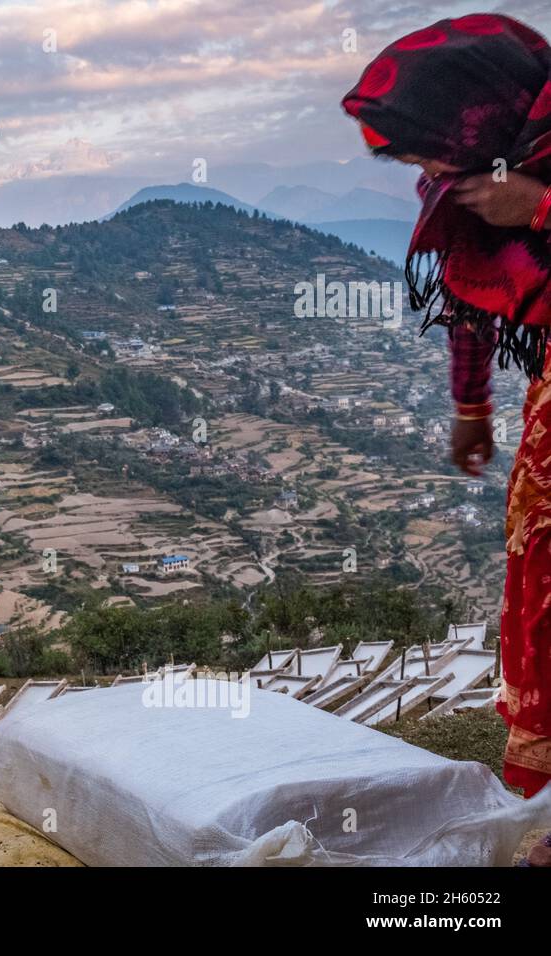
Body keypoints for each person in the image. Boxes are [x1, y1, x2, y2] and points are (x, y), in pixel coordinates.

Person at [343, 13, 551, 865]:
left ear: (478, 118)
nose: (421, 173)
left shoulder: (521, 182)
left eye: (422, 151)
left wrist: (542, 206)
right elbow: (472, 285)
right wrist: (472, 409)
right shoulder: (478, 183)